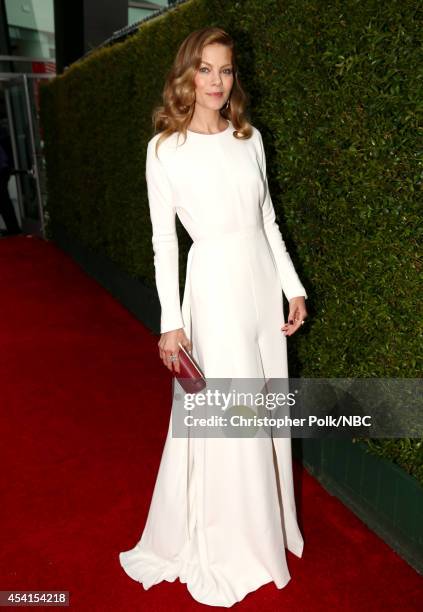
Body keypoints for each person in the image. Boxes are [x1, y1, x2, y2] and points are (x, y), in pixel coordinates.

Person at [119, 26, 309, 607]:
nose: (216, 82)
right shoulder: (164, 150)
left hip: (260, 288)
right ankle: (233, 544)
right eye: (205, 69)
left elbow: (269, 221)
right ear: (186, 74)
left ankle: (270, 528)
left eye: (225, 71)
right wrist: (170, 322)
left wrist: (292, 287)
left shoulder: (249, 138)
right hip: (215, 290)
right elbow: (164, 245)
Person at [0, 133, 22, 236]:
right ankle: (13, 230)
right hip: (3, 170)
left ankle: (14, 230)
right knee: (4, 202)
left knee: (4, 202)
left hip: (2, 171)